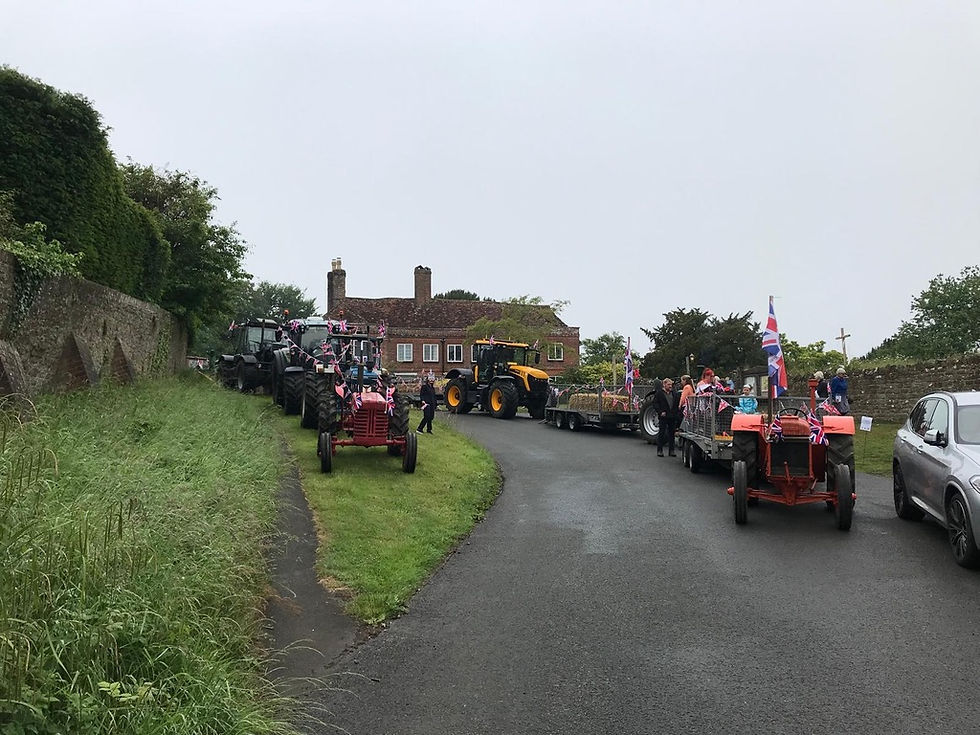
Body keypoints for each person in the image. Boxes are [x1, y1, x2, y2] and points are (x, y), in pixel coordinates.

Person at [653, 377, 678, 457]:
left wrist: (676, 413)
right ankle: (659, 450)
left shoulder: (674, 393)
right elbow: (655, 404)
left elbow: (676, 404)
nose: (670, 386)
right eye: (668, 384)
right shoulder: (659, 393)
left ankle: (672, 450)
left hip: (672, 416)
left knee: (671, 434)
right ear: (664, 384)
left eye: (671, 384)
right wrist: (660, 412)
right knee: (662, 433)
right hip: (663, 416)